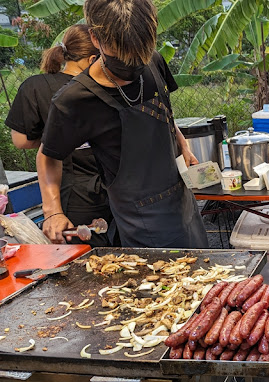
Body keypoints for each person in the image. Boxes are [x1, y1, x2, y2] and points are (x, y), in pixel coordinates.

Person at [37, 0, 208, 248]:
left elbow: (165, 113)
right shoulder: (74, 100)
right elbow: (48, 155)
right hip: (140, 220)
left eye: (141, 53)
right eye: (123, 54)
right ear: (95, 38)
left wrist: (182, 145)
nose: (135, 63)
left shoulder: (154, 61)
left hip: (181, 201)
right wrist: (52, 210)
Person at [5, 25, 113, 247]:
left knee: (82, 259)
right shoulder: (103, 86)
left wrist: (59, 141)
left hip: (71, 193)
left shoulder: (35, 86)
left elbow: (20, 140)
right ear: (92, 59)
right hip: (112, 186)